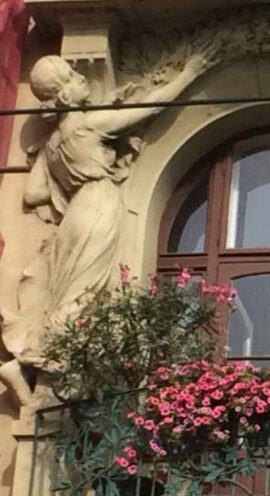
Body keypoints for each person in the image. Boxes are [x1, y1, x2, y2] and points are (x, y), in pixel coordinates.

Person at [0, 48, 216, 405]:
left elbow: (34, 192)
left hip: (75, 214)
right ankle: (49, 371)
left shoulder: (54, 142)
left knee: (71, 289)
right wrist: (190, 72)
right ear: (64, 94)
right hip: (98, 204)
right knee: (84, 294)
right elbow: (151, 106)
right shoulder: (88, 123)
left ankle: (38, 369)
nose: (81, 78)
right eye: (71, 77)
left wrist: (61, 171)